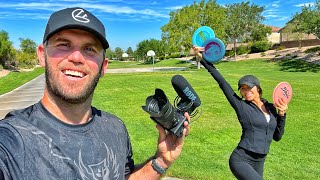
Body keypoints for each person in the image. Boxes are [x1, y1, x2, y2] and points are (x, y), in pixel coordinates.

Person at [0, 7, 190, 179]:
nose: (76, 57)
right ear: (42, 55)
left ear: (103, 66)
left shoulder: (115, 128)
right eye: (63, 44)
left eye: (89, 49)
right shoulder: (11, 139)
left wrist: (161, 161)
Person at [193, 46, 288, 180]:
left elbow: (277, 136)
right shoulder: (241, 106)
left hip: (259, 161)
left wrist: (282, 115)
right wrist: (203, 59)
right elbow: (222, 82)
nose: (246, 91)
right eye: (242, 89)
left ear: (258, 89)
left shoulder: (271, 107)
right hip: (241, 159)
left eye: (249, 87)